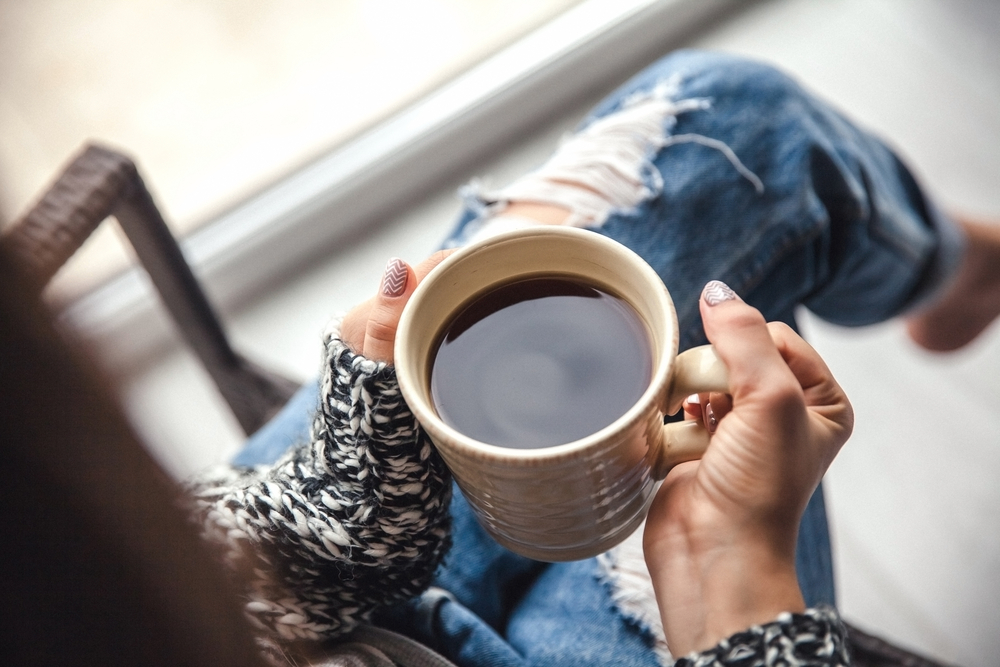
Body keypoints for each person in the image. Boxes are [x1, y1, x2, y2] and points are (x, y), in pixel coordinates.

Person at [188, 49, 996, 666]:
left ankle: (954, 271)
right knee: (760, 200)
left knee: (744, 123)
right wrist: (728, 576)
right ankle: (956, 272)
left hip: (293, 586)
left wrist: (339, 509)